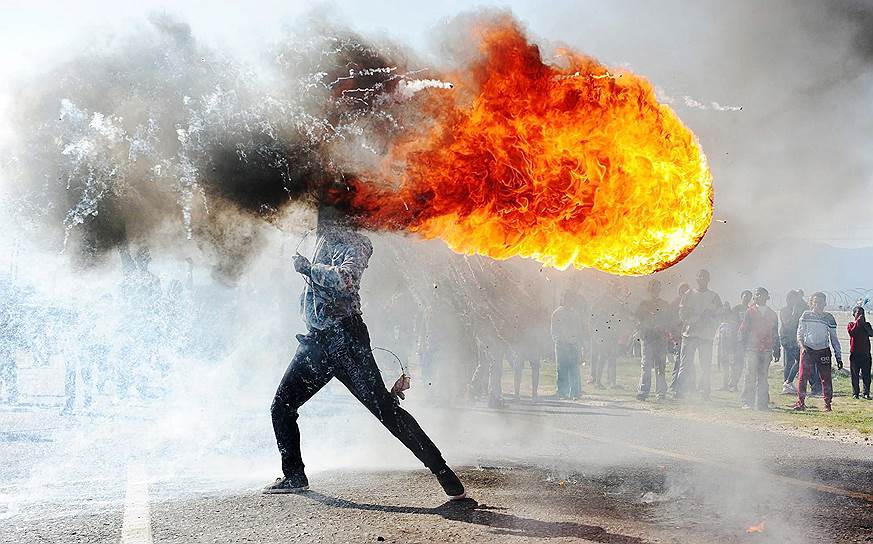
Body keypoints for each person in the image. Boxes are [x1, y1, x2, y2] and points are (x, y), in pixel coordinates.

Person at [265, 204, 464, 499]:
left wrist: (309, 268)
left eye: (326, 214)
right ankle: (294, 475)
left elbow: (346, 282)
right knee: (281, 407)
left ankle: (443, 472)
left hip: (346, 341)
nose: (320, 221)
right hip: (316, 342)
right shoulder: (323, 240)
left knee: (386, 410)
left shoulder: (357, 243)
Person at [676, 269, 723, 400]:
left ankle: (705, 392)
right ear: (696, 279)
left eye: (704, 277)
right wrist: (694, 319)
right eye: (699, 276)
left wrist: (709, 321)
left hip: (706, 336)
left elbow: (720, 315)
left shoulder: (714, 296)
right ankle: (680, 391)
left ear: (708, 279)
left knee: (705, 365)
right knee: (685, 364)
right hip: (689, 334)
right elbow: (682, 313)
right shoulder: (689, 294)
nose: (702, 279)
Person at [794, 292, 842, 412]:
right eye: (815, 302)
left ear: (825, 303)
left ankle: (827, 404)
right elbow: (799, 333)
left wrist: (838, 356)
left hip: (823, 351)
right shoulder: (806, 315)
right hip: (808, 349)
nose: (818, 305)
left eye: (820, 302)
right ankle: (801, 402)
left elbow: (834, 339)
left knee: (826, 378)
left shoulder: (829, 318)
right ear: (811, 303)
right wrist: (802, 346)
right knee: (802, 377)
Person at [738, 288, 780, 410]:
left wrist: (777, 349)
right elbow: (743, 329)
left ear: (767, 297)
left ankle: (762, 403)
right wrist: (742, 345)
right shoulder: (750, 312)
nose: (760, 296)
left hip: (766, 349)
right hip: (752, 348)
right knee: (750, 375)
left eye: (763, 294)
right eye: (757, 294)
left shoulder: (772, 314)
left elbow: (775, 332)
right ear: (754, 297)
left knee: (763, 376)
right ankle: (747, 402)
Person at [635, 279, 670, 401]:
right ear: (649, 290)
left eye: (657, 288)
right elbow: (637, 320)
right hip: (648, 338)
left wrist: (662, 327)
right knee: (646, 365)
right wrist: (644, 327)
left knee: (660, 366)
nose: (655, 291)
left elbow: (669, 320)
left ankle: (660, 392)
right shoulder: (643, 304)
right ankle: (643, 391)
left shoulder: (664, 304)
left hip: (660, 338)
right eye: (653, 288)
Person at [551, 292, 584, 399]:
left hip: (572, 344)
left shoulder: (575, 314)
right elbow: (554, 329)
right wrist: (557, 340)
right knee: (561, 368)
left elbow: (578, 330)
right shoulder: (557, 313)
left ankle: (575, 392)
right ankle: (562, 391)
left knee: (574, 368)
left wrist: (577, 342)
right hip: (561, 344)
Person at [779, 290, 804, 395]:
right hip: (787, 338)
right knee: (799, 360)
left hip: (793, 339)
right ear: (789, 299)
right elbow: (787, 323)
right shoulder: (785, 310)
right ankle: (788, 382)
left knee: (790, 361)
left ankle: (787, 384)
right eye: (793, 298)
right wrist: (794, 312)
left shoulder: (798, 310)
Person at [668, 283, 690, 392]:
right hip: (677, 336)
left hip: (687, 334)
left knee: (686, 361)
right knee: (679, 360)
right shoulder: (674, 304)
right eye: (683, 290)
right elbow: (671, 321)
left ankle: (687, 385)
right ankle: (674, 384)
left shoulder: (689, 303)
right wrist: (673, 335)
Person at [847, 306, 873, 400]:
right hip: (855, 354)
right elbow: (852, 333)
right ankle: (855, 393)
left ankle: (866, 393)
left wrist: (864, 324)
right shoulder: (851, 324)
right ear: (854, 314)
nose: (861, 316)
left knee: (866, 375)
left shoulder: (867, 325)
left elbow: (871, 333)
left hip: (865, 354)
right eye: (858, 313)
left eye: (862, 313)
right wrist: (858, 322)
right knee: (855, 375)